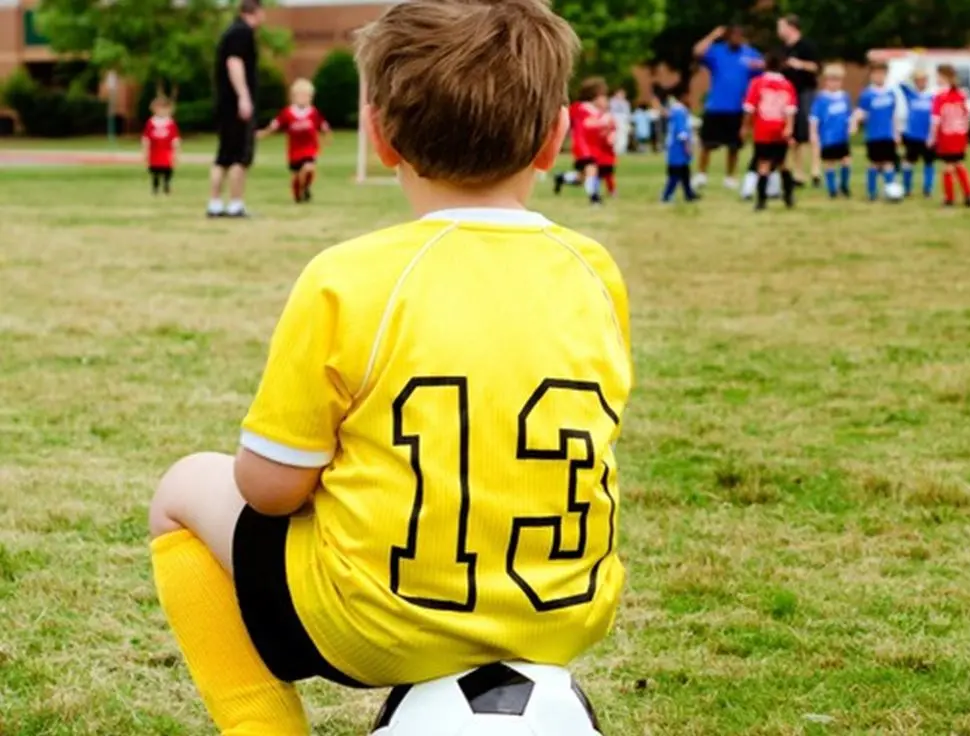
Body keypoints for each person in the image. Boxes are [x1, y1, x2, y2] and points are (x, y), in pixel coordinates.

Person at [147, 1, 633, 734]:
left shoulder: (349, 277)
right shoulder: (594, 272)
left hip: (374, 621)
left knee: (182, 487)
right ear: (554, 139)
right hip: (563, 612)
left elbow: (270, 491)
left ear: (380, 136)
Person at [209, 0, 265, 219]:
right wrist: (243, 96)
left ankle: (214, 203)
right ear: (255, 12)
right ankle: (235, 204)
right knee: (238, 156)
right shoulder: (242, 33)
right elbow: (234, 63)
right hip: (235, 105)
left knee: (223, 156)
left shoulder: (231, 32)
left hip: (225, 104)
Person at [693, 25, 762, 190]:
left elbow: (762, 69)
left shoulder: (750, 54)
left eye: (739, 36)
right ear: (727, 37)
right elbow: (697, 52)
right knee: (707, 144)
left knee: (734, 146)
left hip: (737, 108)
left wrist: (759, 66)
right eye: (733, 36)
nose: (736, 39)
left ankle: (730, 177)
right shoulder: (717, 51)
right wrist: (713, 35)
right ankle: (702, 175)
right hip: (716, 106)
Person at [257, 79, 331, 204]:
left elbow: (323, 126)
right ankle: (298, 194)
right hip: (294, 151)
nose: (303, 98)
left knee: (309, 168)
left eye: (306, 95)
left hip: (310, 148)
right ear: (293, 97)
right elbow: (275, 125)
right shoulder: (288, 113)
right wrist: (263, 133)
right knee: (297, 175)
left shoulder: (313, 113)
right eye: (300, 95)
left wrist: (327, 136)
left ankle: (306, 187)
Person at [743, 53, 797, 211]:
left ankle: (761, 201)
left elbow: (749, 108)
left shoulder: (757, 83)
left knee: (763, 165)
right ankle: (788, 195)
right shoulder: (787, 85)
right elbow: (790, 110)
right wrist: (789, 128)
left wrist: (745, 127)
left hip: (763, 130)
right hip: (780, 130)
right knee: (782, 164)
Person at [777, 14, 821, 188]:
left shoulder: (807, 46)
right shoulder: (782, 49)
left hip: (806, 92)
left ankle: (816, 170)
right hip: (788, 95)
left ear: (791, 27)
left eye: (781, 27)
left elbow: (817, 67)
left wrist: (799, 64)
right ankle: (798, 173)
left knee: (810, 132)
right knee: (793, 135)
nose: (778, 31)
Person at [930, 64, 970, 208]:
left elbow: (936, 120)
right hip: (959, 136)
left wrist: (932, 137)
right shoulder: (961, 95)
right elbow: (967, 117)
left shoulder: (940, 97)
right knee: (959, 164)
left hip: (947, 136)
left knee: (948, 167)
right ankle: (968, 195)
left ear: (944, 78)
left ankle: (949, 198)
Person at [854, 61, 901, 202]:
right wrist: (855, 123)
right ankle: (872, 193)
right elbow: (860, 112)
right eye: (876, 74)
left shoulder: (891, 93)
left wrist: (896, 132)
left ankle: (890, 191)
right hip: (873, 135)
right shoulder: (867, 94)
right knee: (874, 163)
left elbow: (894, 115)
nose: (879, 77)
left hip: (887, 134)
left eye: (882, 74)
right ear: (872, 76)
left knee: (888, 163)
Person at [552, 78, 604, 200]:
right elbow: (576, 122)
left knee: (582, 178)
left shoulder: (595, 110)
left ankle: (562, 177)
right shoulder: (579, 108)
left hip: (593, 147)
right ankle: (594, 198)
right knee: (592, 170)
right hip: (583, 146)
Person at [809, 64, 854, 199]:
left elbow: (849, 115)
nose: (834, 83)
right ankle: (832, 189)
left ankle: (844, 186)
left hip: (842, 137)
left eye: (837, 80)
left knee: (846, 161)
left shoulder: (844, 97)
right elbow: (814, 118)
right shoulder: (821, 98)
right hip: (827, 137)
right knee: (830, 163)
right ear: (826, 81)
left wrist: (852, 125)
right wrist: (813, 133)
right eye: (831, 80)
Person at [899, 69, 936, 198]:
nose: (921, 83)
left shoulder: (932, 97)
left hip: (927, 136)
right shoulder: (911, 94)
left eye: (923, 80)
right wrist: (911, 73)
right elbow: (901, 83)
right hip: (912, 136)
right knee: (908, 162)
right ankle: (907, 187)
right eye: (918, 80)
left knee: (929, 162)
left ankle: (928, 189)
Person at [662, 89, 700, 203]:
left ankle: (689, 193)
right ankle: (667, 195)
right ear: (683, 97)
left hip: (676, 146)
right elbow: (681, 131)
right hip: (677, 147)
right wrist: (686, 146)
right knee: (676, 172)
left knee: (685, 172)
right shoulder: (679, 111)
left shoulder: (677, 110)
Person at [143, 96, 180, 196]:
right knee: (155, 171)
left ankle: (166, 185)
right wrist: (145, 152)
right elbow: (146, 139)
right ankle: (155, 187)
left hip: (166, 152)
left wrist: (176, 153)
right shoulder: (151, 123)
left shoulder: (170, 123)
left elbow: (175, 139)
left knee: (167, 170)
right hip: (155, 151)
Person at [609, 88, 632, 156]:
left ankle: (622, 149)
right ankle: (615, 149)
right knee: (615, 135)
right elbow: (610, 112)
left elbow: (628, 113)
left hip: (624, 121)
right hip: (615, 120)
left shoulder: (626, 103)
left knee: (623, 135)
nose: (621, 95)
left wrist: (629, 122)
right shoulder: (612, 102)